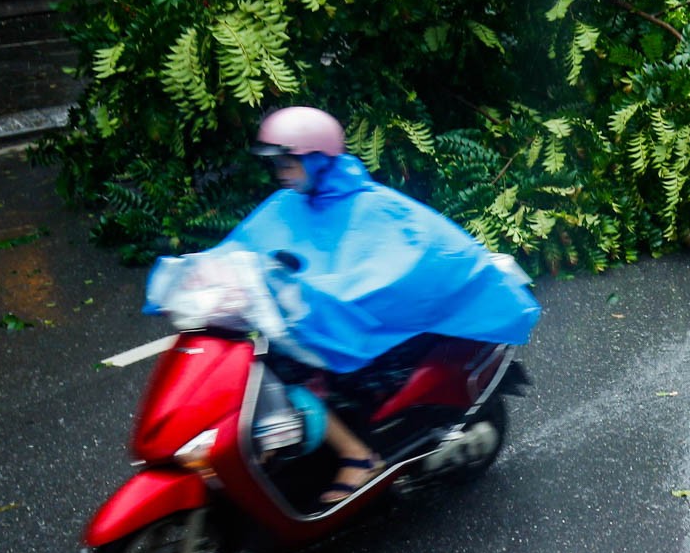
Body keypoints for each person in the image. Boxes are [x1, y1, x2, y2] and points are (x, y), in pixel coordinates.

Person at [161, 106, 541, 504]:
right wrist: (207, 277)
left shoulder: (372, 207)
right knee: (255, 366)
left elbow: (391, 268)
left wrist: (318, 297)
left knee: (285, 374)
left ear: (318, 159)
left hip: (375, 341)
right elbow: (245, 249)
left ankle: (358, 457)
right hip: (317, 330)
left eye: (288, 162)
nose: (281, 173)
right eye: (278, 164)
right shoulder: (288, 204)